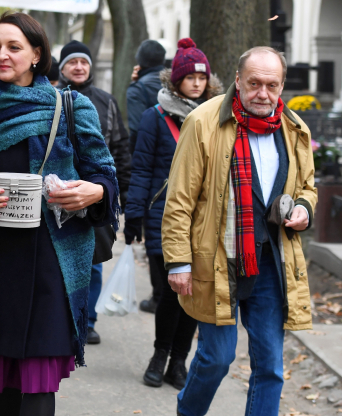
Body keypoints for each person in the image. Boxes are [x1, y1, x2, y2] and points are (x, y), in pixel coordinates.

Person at [0, 12, 119, 416]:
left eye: (14, 47)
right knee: (4, 374)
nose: (2, 55)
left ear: (37, 54)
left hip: (51, 257)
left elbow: (104, 174)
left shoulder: (72, 106)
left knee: (38, 379)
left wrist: (93, 192)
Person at [162, 46, 317, 415]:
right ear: (237, 80)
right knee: (217, 357)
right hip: (217, 261)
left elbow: (307, 186)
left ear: (281, 86)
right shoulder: (203, 122)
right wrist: (178, 262)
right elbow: (179, 199)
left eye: (272, 85)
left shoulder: (294, 129)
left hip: (270, 263)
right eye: (254, 84)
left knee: (270, 368)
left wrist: (303, 208)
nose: (263, 94)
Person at [123, 38, 222, 389]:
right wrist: (133, 214)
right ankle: (159, 353)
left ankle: (179, 361)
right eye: (190, 77)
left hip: (204, 220)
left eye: (201, 78)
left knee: (193, 291)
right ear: (175, 79)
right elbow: (142, 168)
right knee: (169, 290)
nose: (197, 83)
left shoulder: (215, 117)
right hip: (162, 216)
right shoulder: (155, 117)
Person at [58, 40, 131, 345]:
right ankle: (61, 317)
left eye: (83, 62)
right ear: (62, 67)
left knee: (95, 260)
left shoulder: (106, 102)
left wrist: (120, 193)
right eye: (72, 62)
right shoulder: (52, 99)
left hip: (96, 195)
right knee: (60, 259)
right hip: (59, 194)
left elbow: (120, 147)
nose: (78, 67)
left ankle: (86, 322)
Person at [126, 39, 168, 315]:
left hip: (152, 166)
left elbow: (136, 130)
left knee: (154, 232)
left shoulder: (138, 88)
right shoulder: (174, 83)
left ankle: (157, 296)